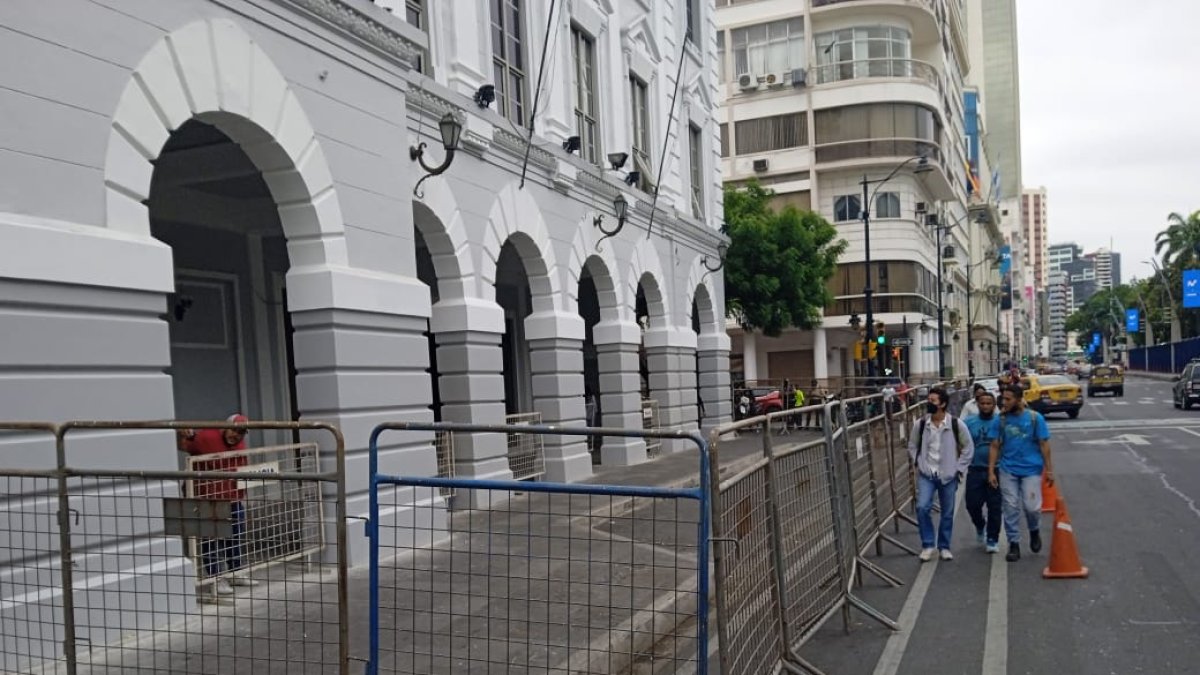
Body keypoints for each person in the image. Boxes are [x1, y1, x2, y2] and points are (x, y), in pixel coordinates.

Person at [179, 413, 258, 595]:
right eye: (234, 430)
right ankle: (215, 578)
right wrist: (183, 433)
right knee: (211, 539)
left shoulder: (240, 445)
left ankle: (235, 571)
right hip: (208, 498)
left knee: (235, 535)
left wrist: (241, 493)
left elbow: (242, 468)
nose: (236, 435)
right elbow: (185, 444)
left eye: (241, 433)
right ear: (225, 427)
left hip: (231, 497)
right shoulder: (207, 437)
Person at [988, 384, 1054, 563]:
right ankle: (1014, 543)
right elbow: (994, 445)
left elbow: (1044, 445)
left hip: (1031, 470)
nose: (1004, 402)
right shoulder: (1000, 420)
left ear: (1018, 399)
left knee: (1032, 507)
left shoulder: (1035, 418)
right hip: (1008, 469)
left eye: (1008, 399)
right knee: (1010, 507)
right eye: (1003, 398)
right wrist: (991, 471)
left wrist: (1049, 470)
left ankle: (1034, 530)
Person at [907, 387, 972, 561]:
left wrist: (958, 468)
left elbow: (968, 448)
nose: (929, 403)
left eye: (933, 400)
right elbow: (912, 446)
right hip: (927, 474)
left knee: (947, 512)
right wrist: (918, 462)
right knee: (922, 507)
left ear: (942, 404)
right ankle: (928, 544)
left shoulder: (956, 424)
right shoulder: (921, 424)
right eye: (928, 399)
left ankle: (944, 546)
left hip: (948, 475)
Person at [964, 391, 1003, 553]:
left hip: (997, 469)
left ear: (994, 405)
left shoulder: (1001, 421)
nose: (986, 406)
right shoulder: (968, 422)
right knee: (972, 504)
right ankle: (980, 525)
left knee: (995, 506)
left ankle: (992, 539)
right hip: (975, 469)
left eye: (989, 403)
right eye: (983, 403)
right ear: (978, 405)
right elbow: (960, 443)